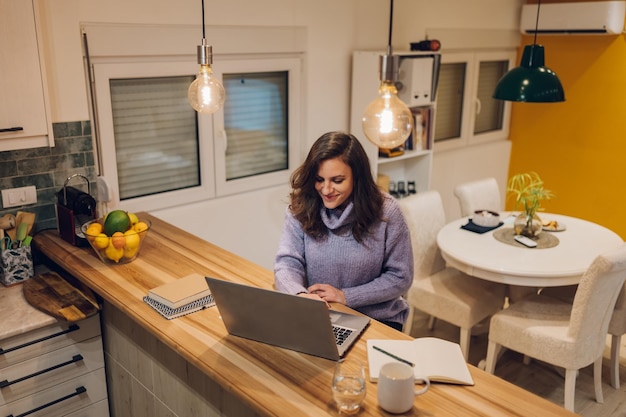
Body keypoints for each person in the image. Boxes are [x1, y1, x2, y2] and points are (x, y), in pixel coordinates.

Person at [274, 131, 414, 331]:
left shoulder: (387, 212)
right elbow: (287, 263)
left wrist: (345, 296)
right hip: (324, 314)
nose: (326, 189)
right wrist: (301, 296)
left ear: (357, 178)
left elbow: (401, 277)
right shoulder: (300, 208)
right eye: (319, 179)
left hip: (377, 318)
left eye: (337, 180)